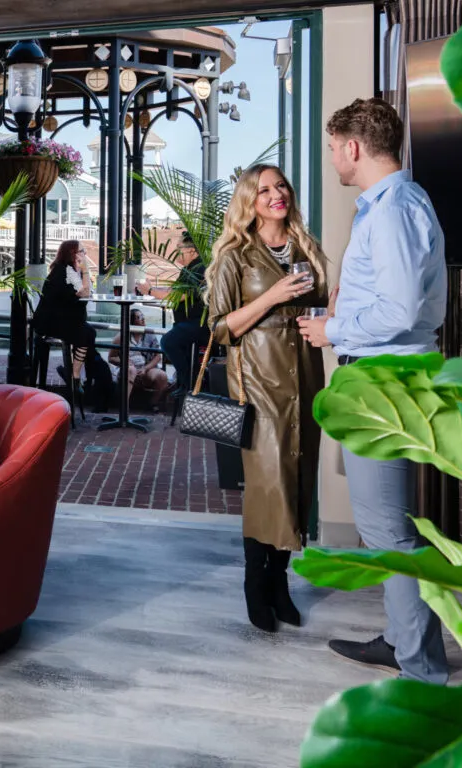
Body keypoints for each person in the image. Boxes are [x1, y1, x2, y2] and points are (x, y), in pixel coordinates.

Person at [298, 98, 448, 684]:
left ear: (355, 147)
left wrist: (329, 329)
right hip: (386, 378)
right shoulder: (396, 205)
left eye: (334, 147)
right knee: (391, 525)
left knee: (389, 531)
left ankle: (420, 669)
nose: (333, 156)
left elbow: (402, 307)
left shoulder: (390, 212)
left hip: (384, 382)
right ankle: (404, 642)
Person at [205, 164, 328, 633]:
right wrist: (273, 295)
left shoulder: (304, 246)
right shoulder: (237, 254)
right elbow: (220, 328)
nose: (276, 194)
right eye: (263, 190)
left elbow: (316, 302)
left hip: (304, 377)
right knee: (267, 484)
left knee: (296, 478)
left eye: (280, 186)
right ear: (248, 202)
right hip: (257, 380)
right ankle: (255, 584)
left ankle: (281, 582)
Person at [145, 231, 211, 395]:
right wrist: (151, 289)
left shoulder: (199, 268)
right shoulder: (188, 269)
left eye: (179, 247)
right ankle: (185, 383)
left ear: (192, 251)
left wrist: (151, 290)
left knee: (169, 341)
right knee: (177, 345)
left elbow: (181, 295)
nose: (176, 251)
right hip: (186, 323)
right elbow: (174, 290)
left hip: (199, 324)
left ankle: (189, 383)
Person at [32, 240, 96, 393]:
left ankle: (76, 375)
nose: (85, 255)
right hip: (50, 323)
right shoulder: (62, 271)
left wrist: (83, 272)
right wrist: (86, 269)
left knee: (89, 331)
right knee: (86, 332)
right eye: (82, 251)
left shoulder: (70, 271)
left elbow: (85, 293)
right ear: (72, 254)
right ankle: (74, 376)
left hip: (62, 319)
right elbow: (85, 293)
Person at [108, 306, 169, 412]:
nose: (143, 319)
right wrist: (124, 361)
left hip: (145, 369)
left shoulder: (149, 334)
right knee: (131, 370)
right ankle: (124, 408)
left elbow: (158, 355)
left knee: (162, 376)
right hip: (128, 370)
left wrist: (146, 368)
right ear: (131, 321)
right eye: (139, 317)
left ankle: (153, 403)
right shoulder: (121, 336)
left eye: (142, 316)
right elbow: (111, 357)